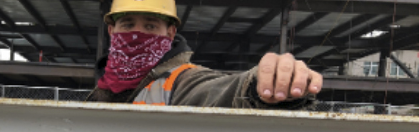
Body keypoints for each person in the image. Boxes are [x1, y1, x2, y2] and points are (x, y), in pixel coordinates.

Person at [86, 0, 323, 110]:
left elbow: (222, 91)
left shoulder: (184, 81)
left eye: (150, 26)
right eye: (127, 24)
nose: (137, 33)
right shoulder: (103, 89)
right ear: (111, 30)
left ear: (170, 33)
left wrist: (259, 83)